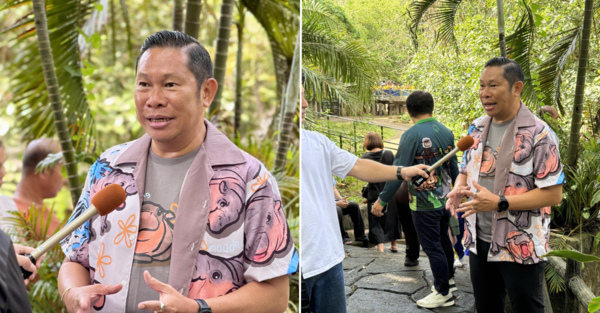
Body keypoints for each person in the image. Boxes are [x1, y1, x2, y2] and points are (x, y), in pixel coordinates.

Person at [57, 31, 297, 313]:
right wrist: (73, 293)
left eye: (170, 84)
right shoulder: (109, 167)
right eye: (144, 84)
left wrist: (198, 308)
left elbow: (275, 296)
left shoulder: (248, 180)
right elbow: (75, 258)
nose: (154, 99)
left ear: (206, 92)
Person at [446, 57, 564, 313]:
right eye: (481, 86)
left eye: (493, 86)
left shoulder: (540, 134)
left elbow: (554, 194)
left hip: (521, 243)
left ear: (517, 88)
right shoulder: (476, 128)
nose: (484, 94)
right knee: (487, 307)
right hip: (480, 240)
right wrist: (457, 189)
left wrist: (500, 202)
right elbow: (466, 171)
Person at [301, 85, 429, 313]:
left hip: (329, 260)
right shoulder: (257, 147)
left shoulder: (317, 141)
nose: (304, 104)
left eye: (304, 95)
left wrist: (402, 171)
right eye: (296, 96)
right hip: (293, 268)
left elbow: (358, 166)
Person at [372, 90, 459, 309]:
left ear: (409, 110)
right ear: (432, 107)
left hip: (423, 203)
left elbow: (398, 171)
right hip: (445, 199)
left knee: (432, 247)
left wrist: (382, 200)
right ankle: (448, 280)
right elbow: (454, 168)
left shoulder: (411, 135)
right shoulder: (447, 132)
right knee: (443, 240)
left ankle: (442, 293)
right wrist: (457, 192)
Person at [0, 138, 63, 237]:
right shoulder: (14, 215)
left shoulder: (43, 211)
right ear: (43, 170)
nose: (66, 179)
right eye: (62, 169)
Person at [360, 132, 401, 253]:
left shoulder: (364, 157)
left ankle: (380, 247)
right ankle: (394, 245)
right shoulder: (388, 154)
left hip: (374, 191)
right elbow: (396, 170)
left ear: (367, 142)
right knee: (392, 217)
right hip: (390, 191)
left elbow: (363, 176)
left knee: (375, 220)